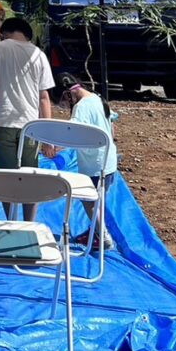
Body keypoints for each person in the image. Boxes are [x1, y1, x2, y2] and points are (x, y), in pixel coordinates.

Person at [0, 16, 54, 221]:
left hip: (3, 120)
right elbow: (44, 97)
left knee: (6, 177)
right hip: (31, 125)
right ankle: (29, 222)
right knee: (31, 177)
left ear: (5, 32)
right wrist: (46, 134)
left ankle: (11, 221)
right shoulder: (39, 55)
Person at [61, 80, 119, 248]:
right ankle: (95, 230)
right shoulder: (97, 98)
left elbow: (70, 133)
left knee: (89, 201)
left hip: (93, 164)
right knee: (99, 199)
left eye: (63, 105)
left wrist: (53, 147)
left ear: (68, 95)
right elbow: (112, 124)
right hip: (108, 161)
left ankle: (103, 236)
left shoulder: (81, 107)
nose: (64, 108)